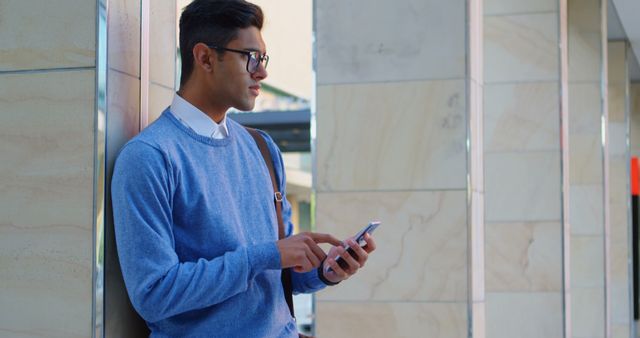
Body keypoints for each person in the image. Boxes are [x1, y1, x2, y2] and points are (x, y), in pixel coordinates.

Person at [110, 0, 376, 337]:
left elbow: (275, 275)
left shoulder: (262, 148)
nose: (261, 72)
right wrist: (261, 256)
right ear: (205, 57)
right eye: (250, 57)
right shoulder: (150, 157)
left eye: (262, 59)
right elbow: (154, 294)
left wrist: (325, 271)